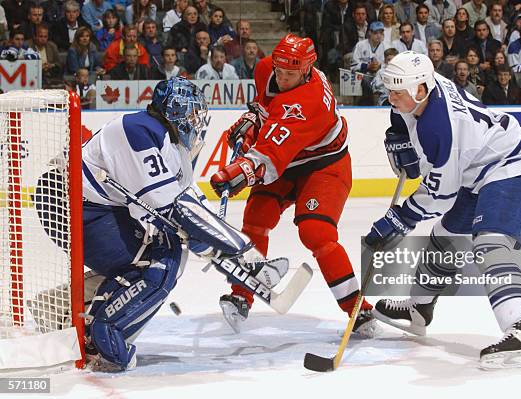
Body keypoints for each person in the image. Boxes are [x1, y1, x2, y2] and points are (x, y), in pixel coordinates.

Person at [33, 77, 289, 371]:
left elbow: (182, 208)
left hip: (89, 204)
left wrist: (232, 253)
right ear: (176, 111)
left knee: (163, 249)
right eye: (192, 113)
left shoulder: (166, 143)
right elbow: (175, 208)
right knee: (161, 260)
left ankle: (63, 307)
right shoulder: (140, 130)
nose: (196, 121)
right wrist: (239, 249)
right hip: (66, 201)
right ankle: (102, 335)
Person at [366, 51, 521, 370]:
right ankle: (418, 310)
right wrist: (398, 134)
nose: (390, 97)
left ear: (420, 90)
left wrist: (400, 219)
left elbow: (441, 193)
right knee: (444, 237)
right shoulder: (423, 88)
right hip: (477, 166)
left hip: (510, 165)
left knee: (488, 243)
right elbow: (403, 118)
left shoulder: (438, 126)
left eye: (397, 92)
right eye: (389, 90)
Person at [210, 34, 379, 337]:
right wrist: (252, 122)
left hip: (324, 165)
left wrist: (240, 171)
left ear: (306, 70)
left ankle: (358, 309)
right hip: (289, 162)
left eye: (290, 74)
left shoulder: (308, 101)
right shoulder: (266, 69)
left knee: (317, 232)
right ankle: (241, 294)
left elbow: (269, 157)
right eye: (280, 71)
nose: (283, 78)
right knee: (255, 218)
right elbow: (265, 111)